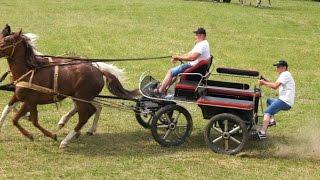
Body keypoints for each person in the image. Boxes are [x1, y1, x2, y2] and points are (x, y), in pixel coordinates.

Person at [153, 27, 211, 96]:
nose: (195, 36)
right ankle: (165, 88)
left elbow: (192, 58)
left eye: (196, 35)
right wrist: (178, 57)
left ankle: (160, 91)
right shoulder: (204, 43)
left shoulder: (202, 45)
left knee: (171, 72)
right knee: (175, 73)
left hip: (192, 66)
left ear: (202, 35)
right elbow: (190, 54)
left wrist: (178, 57)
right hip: (196, 66)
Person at [258, 60, 295, 139]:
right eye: (277, 67)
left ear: (284, 67)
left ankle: (262, 133)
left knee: (267, 112)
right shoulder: (285, 75)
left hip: (284, 101)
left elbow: (275, 86)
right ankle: (272, 121)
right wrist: (265, 80)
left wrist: (263, 83)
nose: (277, 68)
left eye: (279, 67)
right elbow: (275, 84)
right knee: (269, 101)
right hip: (285, 101)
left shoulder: (285, 74)